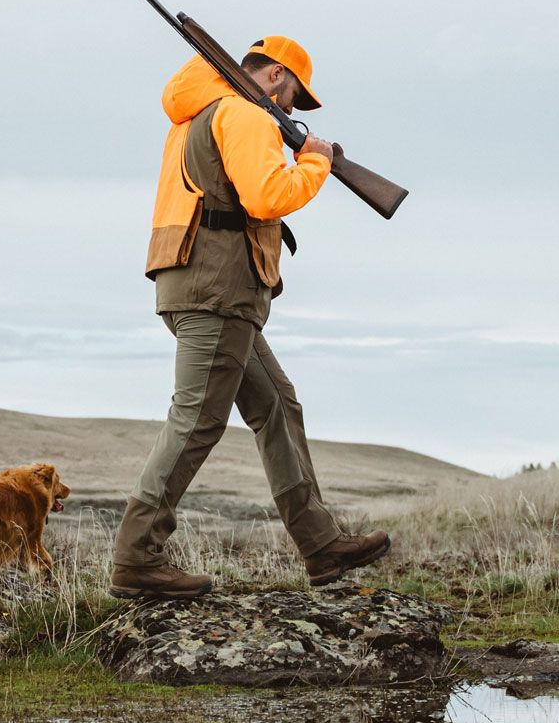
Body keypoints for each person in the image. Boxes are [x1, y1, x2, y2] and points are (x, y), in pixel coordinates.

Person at [110, 37, 392, 600]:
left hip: (204, 284)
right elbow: (266, 196)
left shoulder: (204, 112)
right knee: (197, 420)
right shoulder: (242, 114)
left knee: (276, 405)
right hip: (217, 287)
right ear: (273, 77)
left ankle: (320, 544)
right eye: (293, 96)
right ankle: (136, 558)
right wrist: (315, 158)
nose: (291, 110)